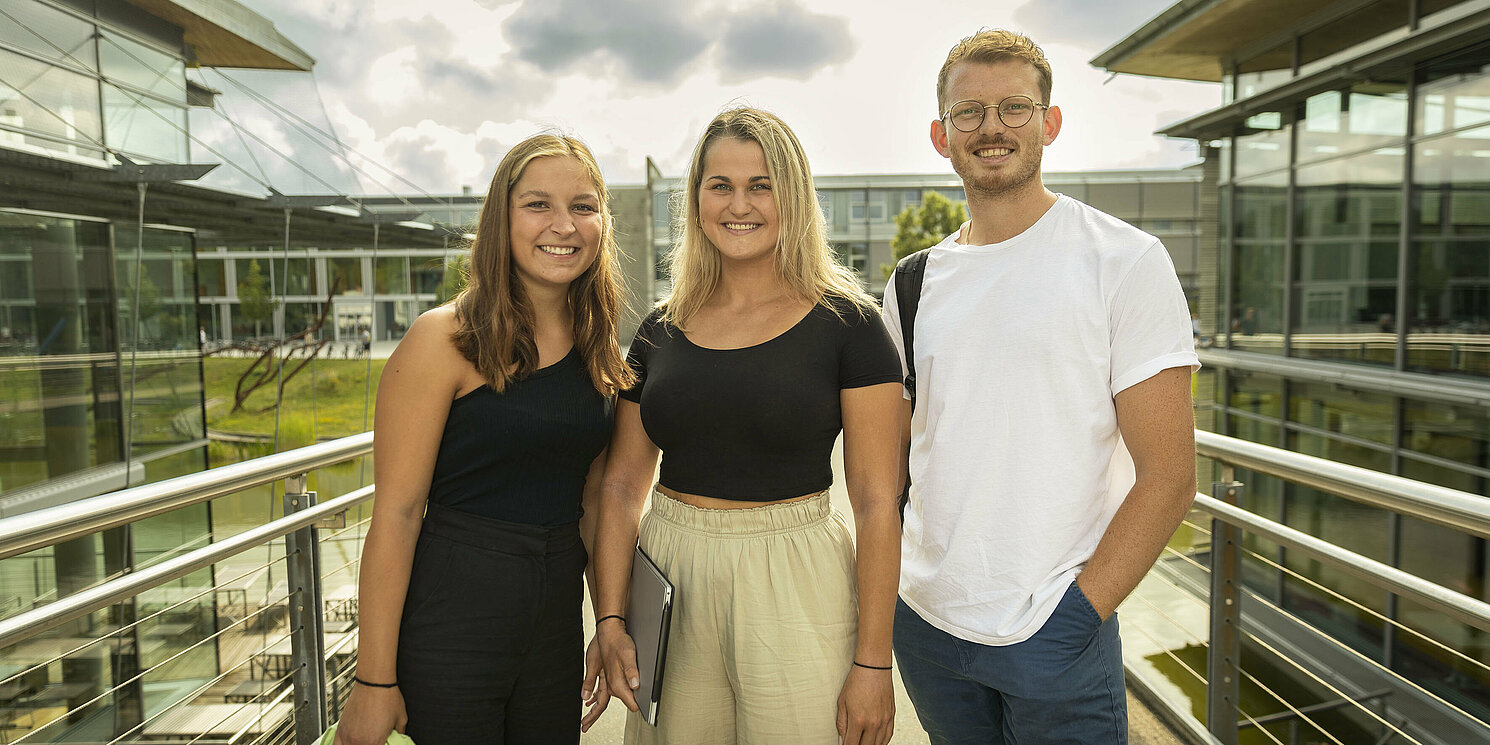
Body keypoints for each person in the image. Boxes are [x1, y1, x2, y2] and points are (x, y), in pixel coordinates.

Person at [883, 30, 1200, 745]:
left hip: (1054, 634)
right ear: (942, 135)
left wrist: (1075, 621)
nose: (991, 127)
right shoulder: (911, 283)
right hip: (930, 630)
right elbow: (894, 463)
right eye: (969, 112)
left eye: (1014, 108)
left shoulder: (1124, 261)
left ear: (1049, 123)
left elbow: (1171, 476)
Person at [589, 107, 902, 745]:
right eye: (720, 185)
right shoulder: (658, 331)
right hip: (668, 566)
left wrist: (873, 662)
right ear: (696, 198)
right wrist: (612, 616)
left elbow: (876, 502)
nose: (740, 204)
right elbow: (620, 487)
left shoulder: (851, 326)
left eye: (762, 185)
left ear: (794, 197)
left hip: (797, 572)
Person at [333, 133, 633, 745]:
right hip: (453, 624)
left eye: (583, 206)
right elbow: (395, 514)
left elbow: (597, 499)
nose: (563, 225)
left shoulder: (599, 348)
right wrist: (373, 681)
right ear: (502, 218)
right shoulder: (442, 339)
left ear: (602, 222)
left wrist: (608, 619)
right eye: (537, 205)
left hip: (551, 629)